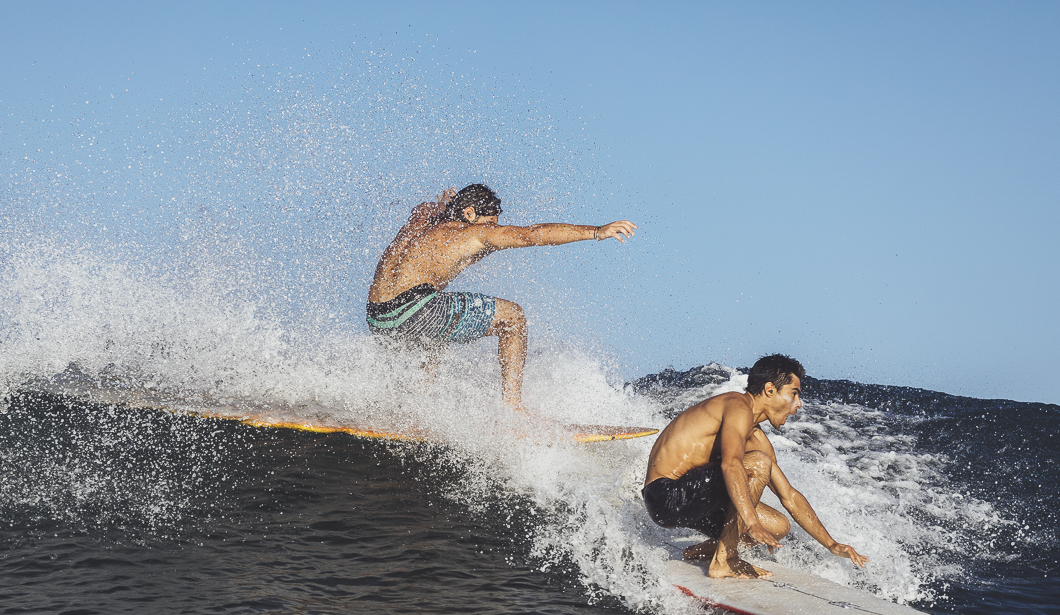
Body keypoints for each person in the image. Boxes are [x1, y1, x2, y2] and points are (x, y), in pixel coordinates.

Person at [366, 184, 636, 411]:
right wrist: (597, 231)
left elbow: (421, 209)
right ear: (469, 214)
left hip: (378, 318)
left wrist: (441, 206)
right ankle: (513, 411)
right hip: (416, 311)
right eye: (491, 225)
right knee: (512, 317)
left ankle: (416, 404)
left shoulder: (421, 221)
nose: (494, 234)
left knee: (437, 332)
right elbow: (532, 234)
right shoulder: (471, 231)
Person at [642, 354, 869, 579]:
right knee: (759, 465)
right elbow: (731, 464)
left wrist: (831, 544)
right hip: (665, 496)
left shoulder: (756, 438)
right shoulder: (736, 406)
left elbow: (788, 495)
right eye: (794, 394)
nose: (798, 404)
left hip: (692, 502)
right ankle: (724, 560)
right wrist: (751, 522)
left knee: (777, 526)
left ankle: (703, 551)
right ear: (770, 390)